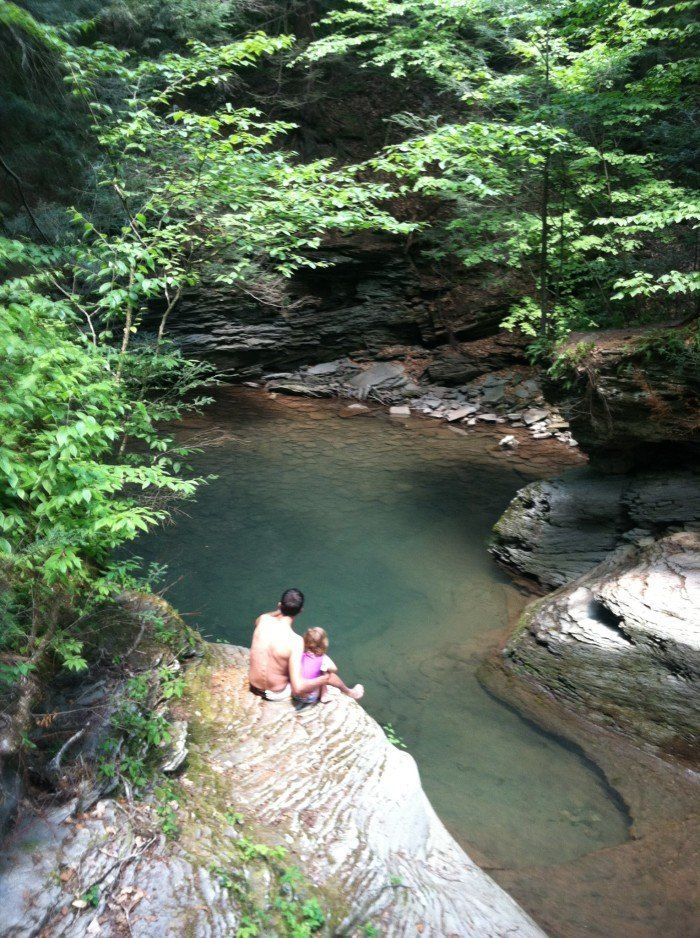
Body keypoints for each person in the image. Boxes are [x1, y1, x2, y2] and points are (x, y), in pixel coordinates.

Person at [248, 588, 363, 703]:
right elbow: (298, 688)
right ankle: (350, 692)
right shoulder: (295, 641)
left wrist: (280, 610)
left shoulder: (263, 620)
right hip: (276, 693)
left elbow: (259, 620)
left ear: (279, 605)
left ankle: (345, 691)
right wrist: (325, 679)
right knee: (322, 670)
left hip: (254, 687)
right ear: (300, 611)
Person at [295, 627, 364, 704]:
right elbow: (334, 669)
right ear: (324, 643)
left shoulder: (300, 654)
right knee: (327, 672)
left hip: (295, 693)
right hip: (310, 697)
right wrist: (324, 668)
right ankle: (346, 692)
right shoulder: (322, 657)